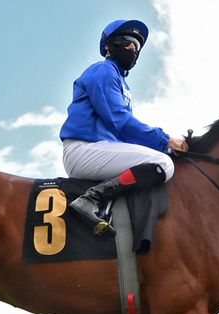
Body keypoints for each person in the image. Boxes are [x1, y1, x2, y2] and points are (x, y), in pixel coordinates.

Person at [59, 19, 188, 236]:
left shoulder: (121, 83)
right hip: (84, 150)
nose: (133, 49)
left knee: (159, 158)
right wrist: (165, 140)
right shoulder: (103, 70)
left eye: (137, 47)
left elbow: (124, 134)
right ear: (109, 46)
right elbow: (119, 120)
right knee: (162, 164)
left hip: (101, 150)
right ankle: (92, 198)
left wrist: (165, 147)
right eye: (128, 42)